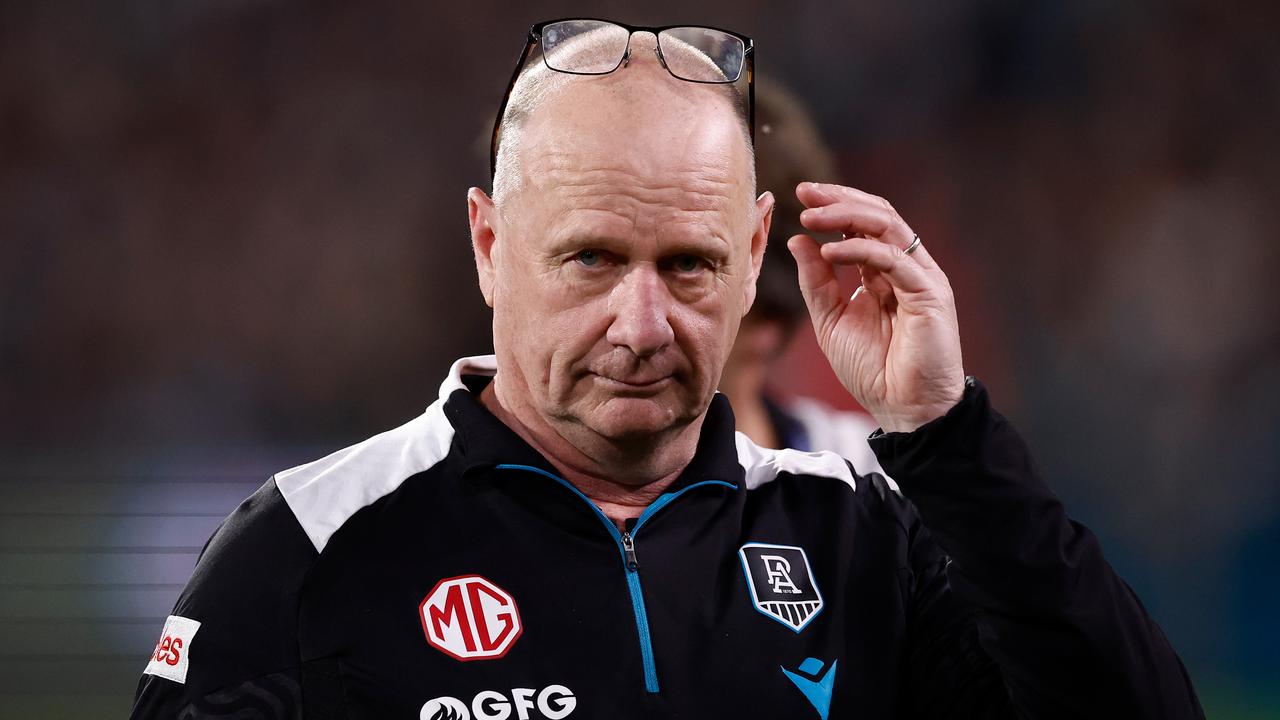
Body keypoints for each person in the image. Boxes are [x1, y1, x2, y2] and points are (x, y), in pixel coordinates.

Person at [131, 19, 1203, 719]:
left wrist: (941, 436)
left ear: (748, 259)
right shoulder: (310, 547)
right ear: (490, 246)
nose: (641, 322)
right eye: (591, 257)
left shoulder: (865, 537)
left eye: (687, 265)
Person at [721, 77, 881, 471]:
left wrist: (935, 420)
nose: (637, 320)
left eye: (687, 265)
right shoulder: (550, 491)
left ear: (768, 316)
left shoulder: (870, 479)